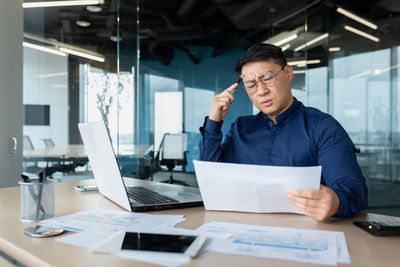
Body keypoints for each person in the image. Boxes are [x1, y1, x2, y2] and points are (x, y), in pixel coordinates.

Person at [199, 43, 368, 222]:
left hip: (304, 231)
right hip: (245, 228)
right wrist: (214, 121)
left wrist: (335, 202)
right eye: (251, 85)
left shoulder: (323, 127)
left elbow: (354, 189)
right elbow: (211, 181)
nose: (261, 91)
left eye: (268, 78)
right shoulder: (241, 128)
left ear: (288, 73)